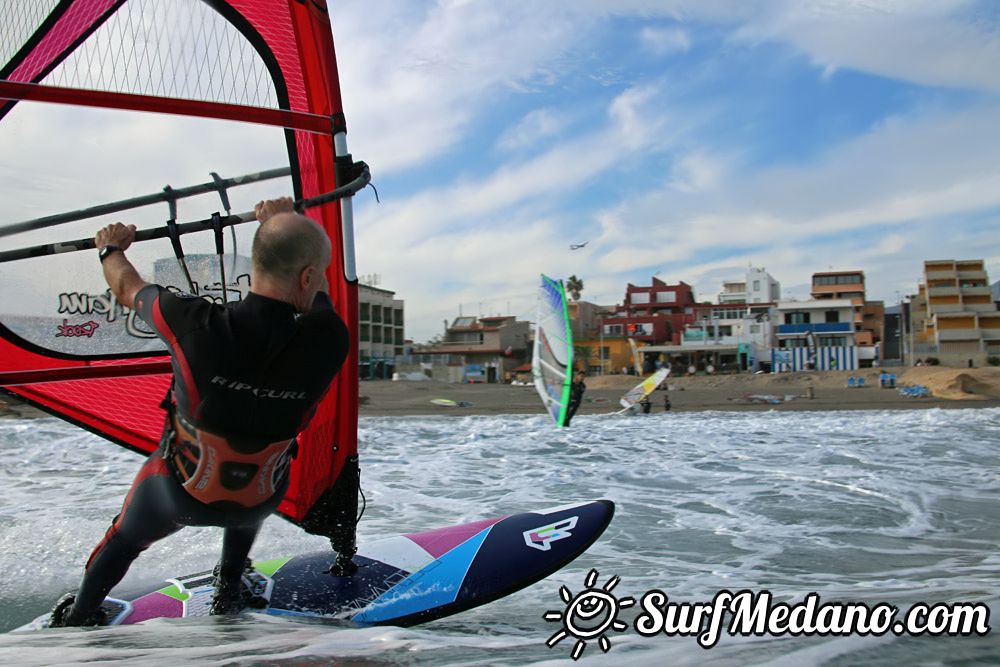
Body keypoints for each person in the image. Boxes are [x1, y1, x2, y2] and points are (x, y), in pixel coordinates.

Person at [50, 198, 350, 626]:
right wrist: (281, 224)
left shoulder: (191, 322)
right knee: (258, 462)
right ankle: (229, 590)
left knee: (123, 539)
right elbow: (316, 295)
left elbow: (126, 288)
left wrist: (110, 249)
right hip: (258, 500)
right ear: (307, 275)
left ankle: (80, 616)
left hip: (174, 496)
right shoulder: (331, 339)